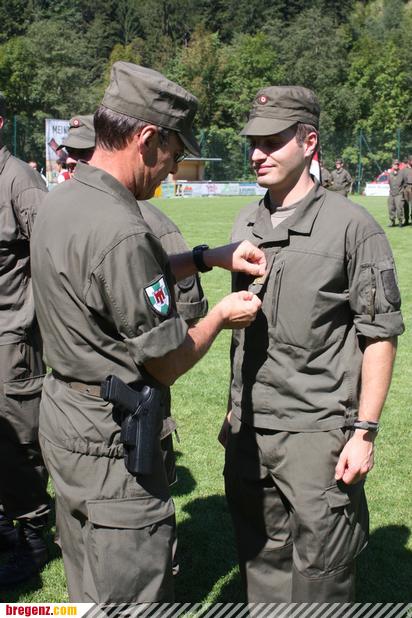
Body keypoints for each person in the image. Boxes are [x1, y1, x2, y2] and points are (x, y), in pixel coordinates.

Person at [31, 61, 264, 603]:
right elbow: (166, 361)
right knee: (132, 591)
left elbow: (110, 281)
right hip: (111, 442)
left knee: (88, 586)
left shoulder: (64, 198)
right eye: (174, 154)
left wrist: (205, 258)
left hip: (65, 416)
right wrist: (219, 316)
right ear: (147, 139)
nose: (173, 169)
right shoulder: (121, 229)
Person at [221, 85, 404, 602]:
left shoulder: (352, 227)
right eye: (253, 143)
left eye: (272, 142)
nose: (257, 154)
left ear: (309, 142)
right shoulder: (246, 221)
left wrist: (364, 432)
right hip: (250, 432)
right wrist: (234, 409)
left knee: (322, 580)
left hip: (317, 435)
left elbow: (379, 335)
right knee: (261, 567)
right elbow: (247, 334)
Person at [0, 92, 50, 587]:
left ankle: (33, 533)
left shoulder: (19, 180)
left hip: (12, 335)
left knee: (17, 438)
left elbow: (52, 254)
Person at [387, 159, 406, 227]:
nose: (396, 165)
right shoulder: (390, 174)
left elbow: (405, 183)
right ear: (392, 165)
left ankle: (400, 222)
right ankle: (392, 222)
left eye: (397, 164)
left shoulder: (402, 173)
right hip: (391, 194)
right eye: (395, 164)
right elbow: (389, 183)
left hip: (399, 194)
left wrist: (402, 191)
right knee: (391, 208)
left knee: (399, 209)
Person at [402, 156, 412, 226]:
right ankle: (406, 220)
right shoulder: (404, 170)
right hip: (406, 188)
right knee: (406, 205)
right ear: (409, 161)